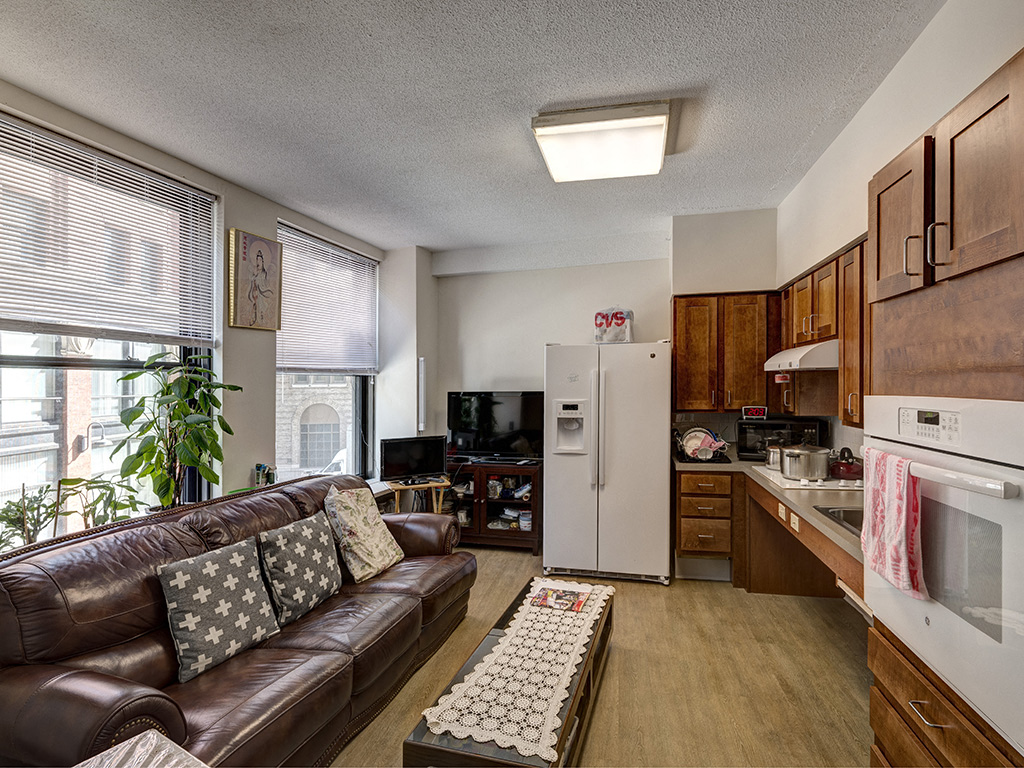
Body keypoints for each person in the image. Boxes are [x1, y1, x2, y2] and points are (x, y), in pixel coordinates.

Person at [247, 249, 274, 327]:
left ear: (262, 262)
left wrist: (258, 284)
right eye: (257, 260)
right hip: (254, 292)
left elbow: (263, 284)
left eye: (260, 260)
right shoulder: (255, 272)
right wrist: (254, 275)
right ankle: (253, 320)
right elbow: (251, 280)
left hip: (260, 293)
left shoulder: (263, 273)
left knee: (260, 307)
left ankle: (260, 319)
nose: (258, 262)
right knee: (254, 306)